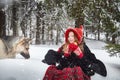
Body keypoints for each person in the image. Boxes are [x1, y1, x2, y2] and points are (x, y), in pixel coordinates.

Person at [42, 25, 107, 80]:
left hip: (78, 76)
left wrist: (81, 56)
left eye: (72, 36)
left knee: (75, 70)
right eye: (68, 36)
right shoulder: (64, 47)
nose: (70, 38)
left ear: (77, 37)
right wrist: (65, 56)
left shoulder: (84, 48)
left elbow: (102, 72)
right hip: (63, 75)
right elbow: (56, 61)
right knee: (51, 69)